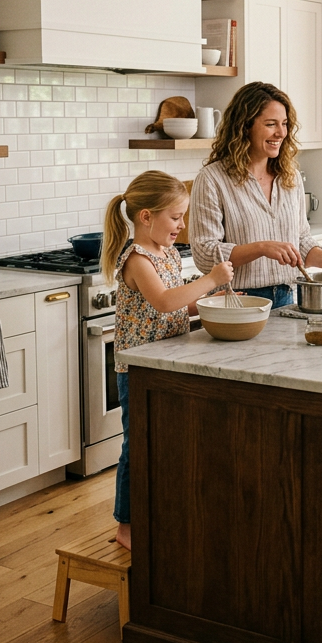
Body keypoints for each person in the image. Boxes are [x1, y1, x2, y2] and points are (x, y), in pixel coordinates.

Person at [101, 170, 234, 550]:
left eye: (183, 217)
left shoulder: (170, 253)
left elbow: (180, 304)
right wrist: (211, 279)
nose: (182, 225)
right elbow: (163, 302)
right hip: (139, 369)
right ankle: (126, 525)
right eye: (175, 217)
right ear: (146, 217)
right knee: (137, 445)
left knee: (166, 444)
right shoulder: (137, 259)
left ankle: (157, 510)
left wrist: (217, 299)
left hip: (167, 361)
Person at [189, 81, 322, 307]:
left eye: (284, 124)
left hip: (286, 298)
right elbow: (205, 255)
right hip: (239, 302)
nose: (281, 132)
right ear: (245, 126)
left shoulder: (290, 177)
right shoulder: (212, 179)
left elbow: (300, 239)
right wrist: (261, 248)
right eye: (271, 124)